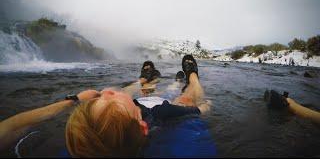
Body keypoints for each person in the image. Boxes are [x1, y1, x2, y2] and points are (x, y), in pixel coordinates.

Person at [0, 54, 213, 157]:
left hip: (134, 109)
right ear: (143, 127)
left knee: (129, 92)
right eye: (110, 98)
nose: (107, 92)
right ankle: (191, 77)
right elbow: (197, 110)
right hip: (161, 104)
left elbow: (7, 128)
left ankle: (144, 79)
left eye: (99, 99)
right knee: (183, 99)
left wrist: (74, 100)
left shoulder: (95, 142)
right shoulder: (159, 114)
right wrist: (202, 107)